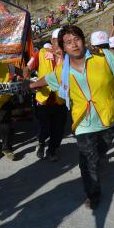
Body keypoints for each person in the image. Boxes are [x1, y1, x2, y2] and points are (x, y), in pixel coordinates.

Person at [29, 26, 114, 210]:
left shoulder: (104, 58)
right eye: (68, 42)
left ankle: (98, 158)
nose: (74, 44)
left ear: (83, 40)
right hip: (83, 122)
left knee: (100, 151)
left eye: (77, 39)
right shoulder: (63, 70)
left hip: (108, 117)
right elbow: (47, 79)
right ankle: (93, 193)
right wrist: (30, 85)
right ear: (63, 48)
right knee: (87, 160)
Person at [25, 28, 67, 161]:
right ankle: (41, 143)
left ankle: (52, 150)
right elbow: (27, 68)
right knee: (46, 128)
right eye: (57, 40)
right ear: (52, 41)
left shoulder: (68, 57)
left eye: (62, 40)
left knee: (59, 129)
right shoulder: (41, 53)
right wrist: (27, 82)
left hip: (61, 99)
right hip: (43, 99)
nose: (59, 43)